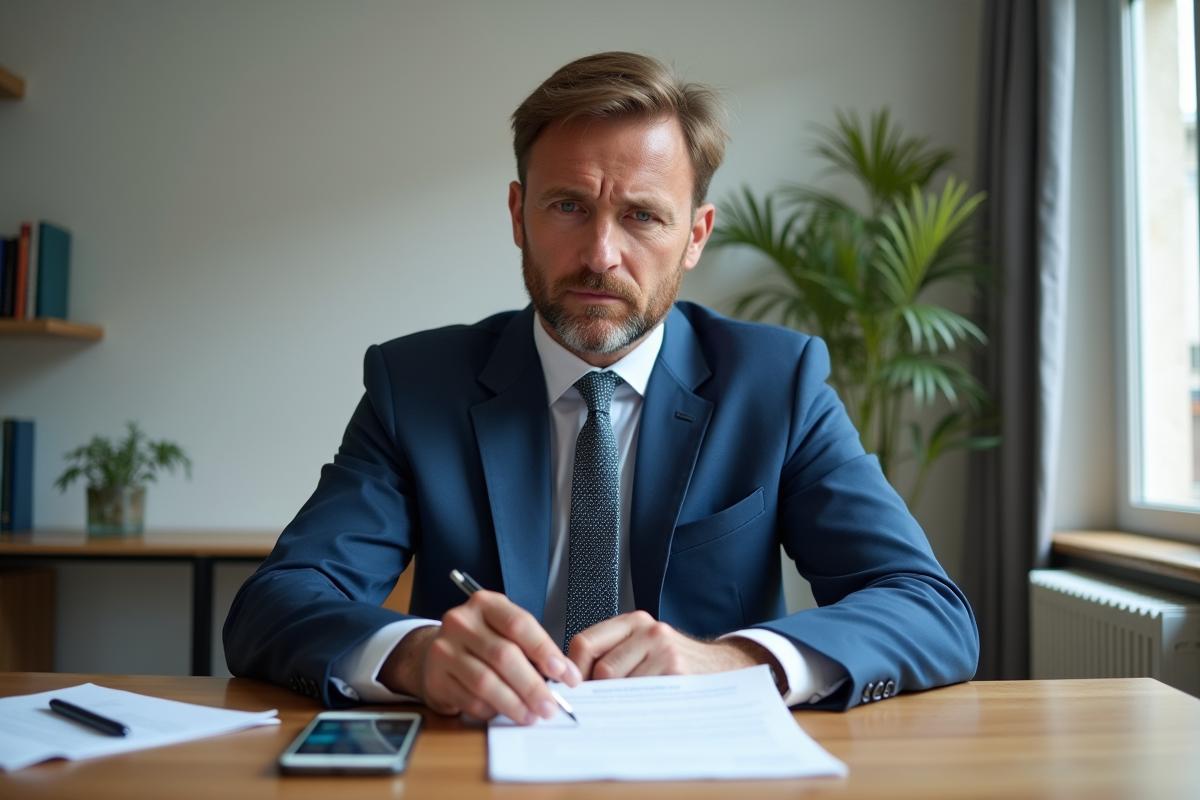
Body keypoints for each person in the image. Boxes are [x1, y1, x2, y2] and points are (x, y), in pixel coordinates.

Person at [223, 51, 978, 724]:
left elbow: (928, 609)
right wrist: (411, 654)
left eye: (642, 215)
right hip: (475, 769)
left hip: (707, 771)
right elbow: (276, 604)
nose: (601, 255)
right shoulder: (416, 386)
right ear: (520, 215)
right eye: (568, 207)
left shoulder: (778, 384)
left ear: (695, 236)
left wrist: (733, 663)